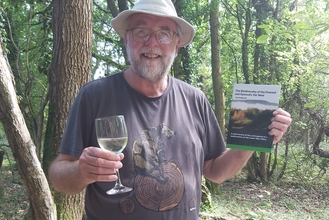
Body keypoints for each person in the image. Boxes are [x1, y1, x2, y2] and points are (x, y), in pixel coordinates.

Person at [48, 0, 292, 219]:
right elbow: (59, 175)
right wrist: (81, 171)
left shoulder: (195, 99)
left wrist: (254, 137)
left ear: (176, 45)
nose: (152, 42)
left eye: (164, 33)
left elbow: (215, 172)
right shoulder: (94, 96)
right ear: (127, 39)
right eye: (141, 31)